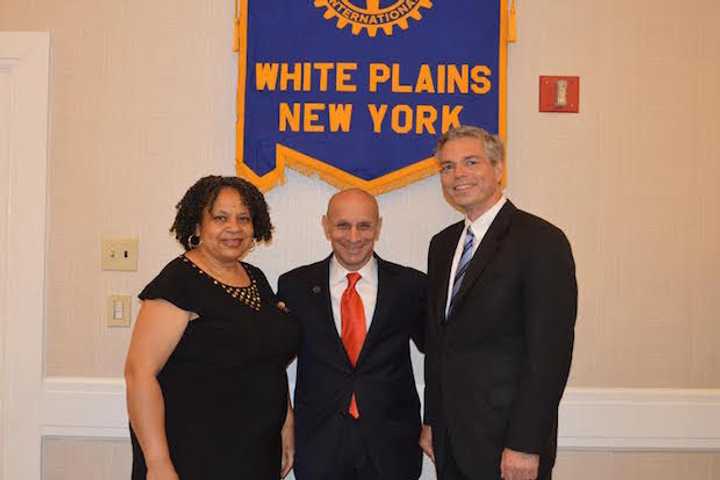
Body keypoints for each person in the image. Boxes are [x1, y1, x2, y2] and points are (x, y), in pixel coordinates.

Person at [420, 126, 577, 480]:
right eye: (447, 167)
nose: (458, 174)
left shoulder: (541, 241)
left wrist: (525, 442)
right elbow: (438, 343)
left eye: (470, 162)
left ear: (499, 168)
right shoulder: (442, 246)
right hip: (450, 438)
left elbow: (549, 355)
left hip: (509, 444)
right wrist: (432, 419)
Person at [124, 175, 300, 480]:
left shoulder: (256, 278)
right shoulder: (179, 280)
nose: (234, 228)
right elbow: (139, 374)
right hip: (192, 454)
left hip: (255, 452)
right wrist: (158, 463)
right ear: (197, 226)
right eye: (220, 218)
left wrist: (286, 424)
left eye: (243, 218)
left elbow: (268, 359)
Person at [277, 188, 426, 480]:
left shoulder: (411, 285)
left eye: (364, 225)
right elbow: (272, 361)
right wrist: (283, 427)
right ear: (326, 225)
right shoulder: (294, 286)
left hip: (392, 444)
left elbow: (440, 354)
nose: (354, 237)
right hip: (319, 443)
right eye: (343, 225)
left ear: (378, 227)